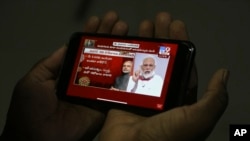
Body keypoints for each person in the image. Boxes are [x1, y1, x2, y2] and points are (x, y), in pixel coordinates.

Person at [0, 11, 229, 141]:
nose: (147, 67)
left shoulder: (156, 84)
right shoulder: (126, 82)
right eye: (144, 64)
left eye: (151, 64)